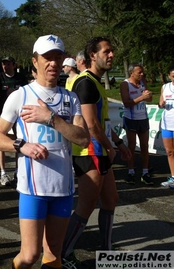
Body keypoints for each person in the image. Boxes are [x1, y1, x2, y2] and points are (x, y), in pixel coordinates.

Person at [0, 34, 89, 268]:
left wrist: (51, 118)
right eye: (47, 57)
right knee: (29, 255)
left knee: (54, 255)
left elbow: (84, 139)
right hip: (33, 189)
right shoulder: (20, 96)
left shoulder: (70, 98)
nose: (53, 63)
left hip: (63, 188)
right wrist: (22, 145)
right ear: (35, 61)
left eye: (57, 57)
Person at [62, 37, 131, 267]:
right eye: (107, 51)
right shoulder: (86, 83)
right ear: (93, 54)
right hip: (88, 151)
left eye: (112, 51)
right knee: (86, 205)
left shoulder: (96, 81)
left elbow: (102, 123)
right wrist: (111, 147)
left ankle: (107, 251)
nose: (111, 55)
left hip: (101, 150)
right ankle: (62, 254)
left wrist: (118, 144)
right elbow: (91, 125)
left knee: (111, 199)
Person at [0, 56, 28, 186]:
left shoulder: (21, 78)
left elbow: (27, 94)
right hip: (3, 115)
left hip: (19, 116)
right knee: (1, 142)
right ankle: (3, 172)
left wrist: (15, 92)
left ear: (14, 65)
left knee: (18, 141)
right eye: (4, 64)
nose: (6, 66)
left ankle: (17, 171)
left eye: (8, 64)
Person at [119, 63, 153, 185]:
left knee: (144, 146)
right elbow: (126, 102)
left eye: (142, 72)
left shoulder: (143, 82)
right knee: (132, 146)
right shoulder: (125, 84)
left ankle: (145, 172)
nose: (142, 74)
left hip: (143, 117)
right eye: (139, 72)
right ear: (131, 72)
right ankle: (131, 171)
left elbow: (149, 99)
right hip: (130, 119)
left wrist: (148, 96)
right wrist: (142, 97)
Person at [159, 66, 174, 188]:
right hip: (167, 124)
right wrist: (161, 104)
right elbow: (160, 104)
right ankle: (173, 177)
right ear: (169, 76)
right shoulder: (165, 87)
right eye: (173, 76)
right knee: (169, 152)